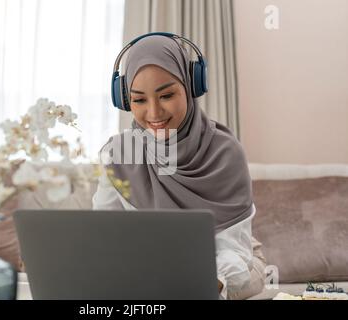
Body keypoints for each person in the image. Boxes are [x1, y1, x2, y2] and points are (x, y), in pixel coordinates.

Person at [92, 33, 266, 300]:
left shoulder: (225, 151)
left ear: (191, 86)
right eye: (139, 100)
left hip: (230, 259)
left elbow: (234, 253)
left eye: (166, 95)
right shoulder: (119, 154)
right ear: (125, 101)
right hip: (153, 266)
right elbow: (104, 236)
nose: (154, 113)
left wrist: (200, 285)